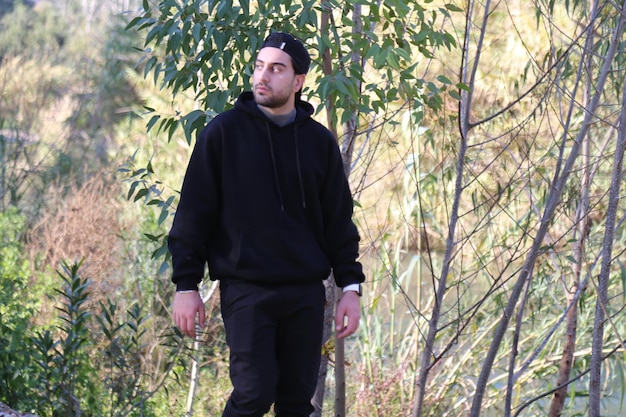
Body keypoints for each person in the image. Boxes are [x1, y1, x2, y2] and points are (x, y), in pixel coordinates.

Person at [168, 31, 365, 417]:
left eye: (276, 69)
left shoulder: (319, 143)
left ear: (297, 81)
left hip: (306, 292)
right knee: (253, 394)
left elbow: (339, 221)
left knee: (295, 402)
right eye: (259, 67)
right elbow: (193, 212)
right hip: (247, 288)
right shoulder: (223, 134)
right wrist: (186, 285)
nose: (263, 76)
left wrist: (351, 288)